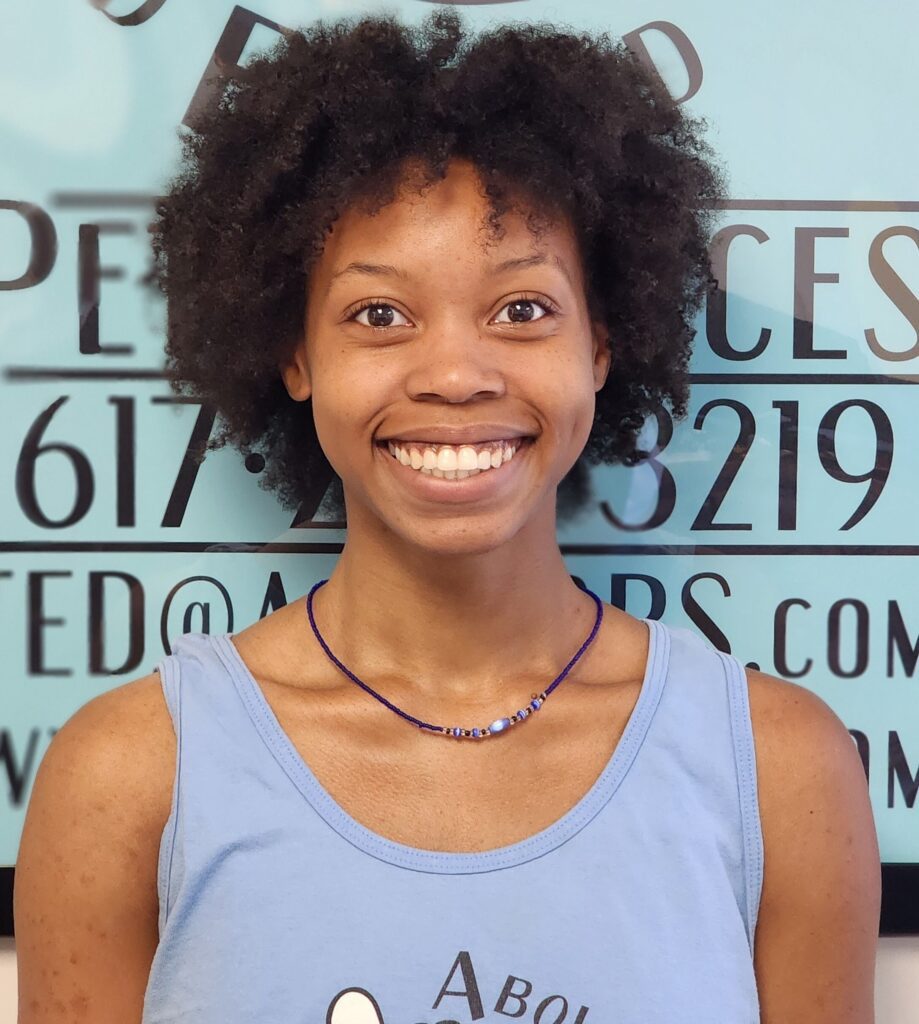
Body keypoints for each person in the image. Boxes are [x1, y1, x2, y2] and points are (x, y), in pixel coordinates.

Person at [14, 8, 880, 1023]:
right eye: (378, 314)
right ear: (292, 354)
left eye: (522, 310)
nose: (458, 374)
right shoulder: (126, 775)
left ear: (601, 344)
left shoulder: (782, 772)